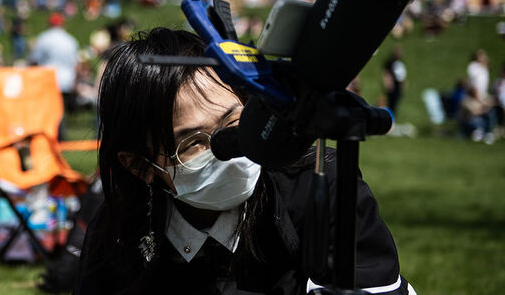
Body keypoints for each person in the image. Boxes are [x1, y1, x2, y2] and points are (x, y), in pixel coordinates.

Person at [75, 28, 414, 294]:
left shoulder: (322, 187)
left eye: (235, 124)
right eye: (194, 143)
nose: (230, 150)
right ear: (140, 165)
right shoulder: (117, 234)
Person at [382, 46, 407, 118]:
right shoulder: (390, 62)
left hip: (398, 86)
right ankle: (387, 117)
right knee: (390, 103)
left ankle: (392, 119)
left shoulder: (400, 62)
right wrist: (387, 83)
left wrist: (404, 84)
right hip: (393, 85)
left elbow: (402, 75)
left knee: (395, 104)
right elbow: (386, 73)